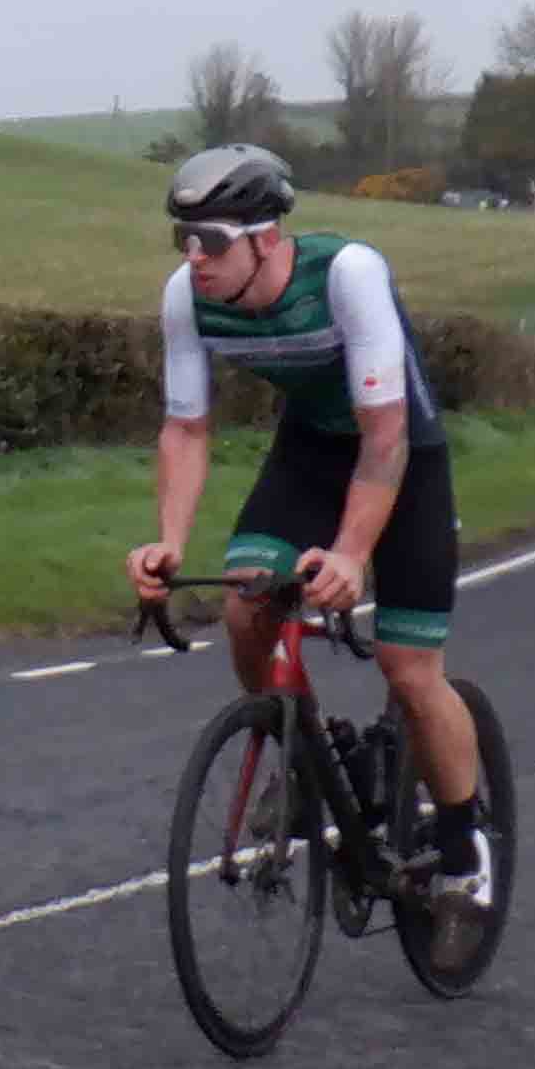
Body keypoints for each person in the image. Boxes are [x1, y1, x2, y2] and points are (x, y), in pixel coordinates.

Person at [125, 144, 489, 969]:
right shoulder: (189, 297)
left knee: (408, 668)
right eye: (182, 237)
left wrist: (354, 553)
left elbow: (386, 436)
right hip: (309, 455)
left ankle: (466, 860)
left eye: (211, 239)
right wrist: (169, 545)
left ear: (265, 235)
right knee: (250, 600)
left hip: (403, 456)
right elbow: (186, 428)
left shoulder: (346, 274)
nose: (194, 257)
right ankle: (303, 753)